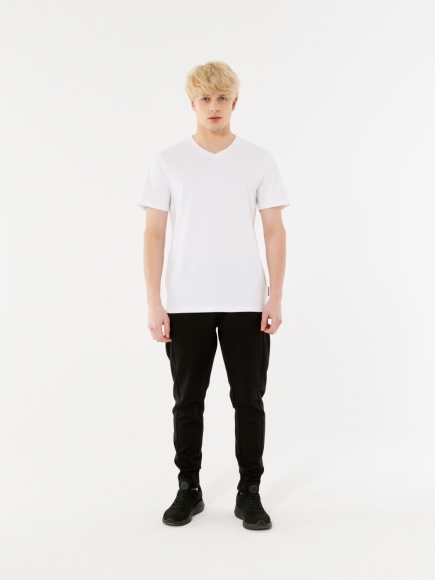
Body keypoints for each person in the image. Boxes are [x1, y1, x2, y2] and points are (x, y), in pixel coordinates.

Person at [136, 61, 290, 530]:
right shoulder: (169, 161)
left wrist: (275, 295)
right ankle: (189, 488)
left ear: (235, 102)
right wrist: (154, 301)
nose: (214, 106)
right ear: (192, 104)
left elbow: (274, 230)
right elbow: (154, 233)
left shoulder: (258, 159)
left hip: (246, 299)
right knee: (188, 401)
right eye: (205, 98)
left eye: (222, 98)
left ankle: (249, 491)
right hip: (186, 300)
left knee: (249, 399)